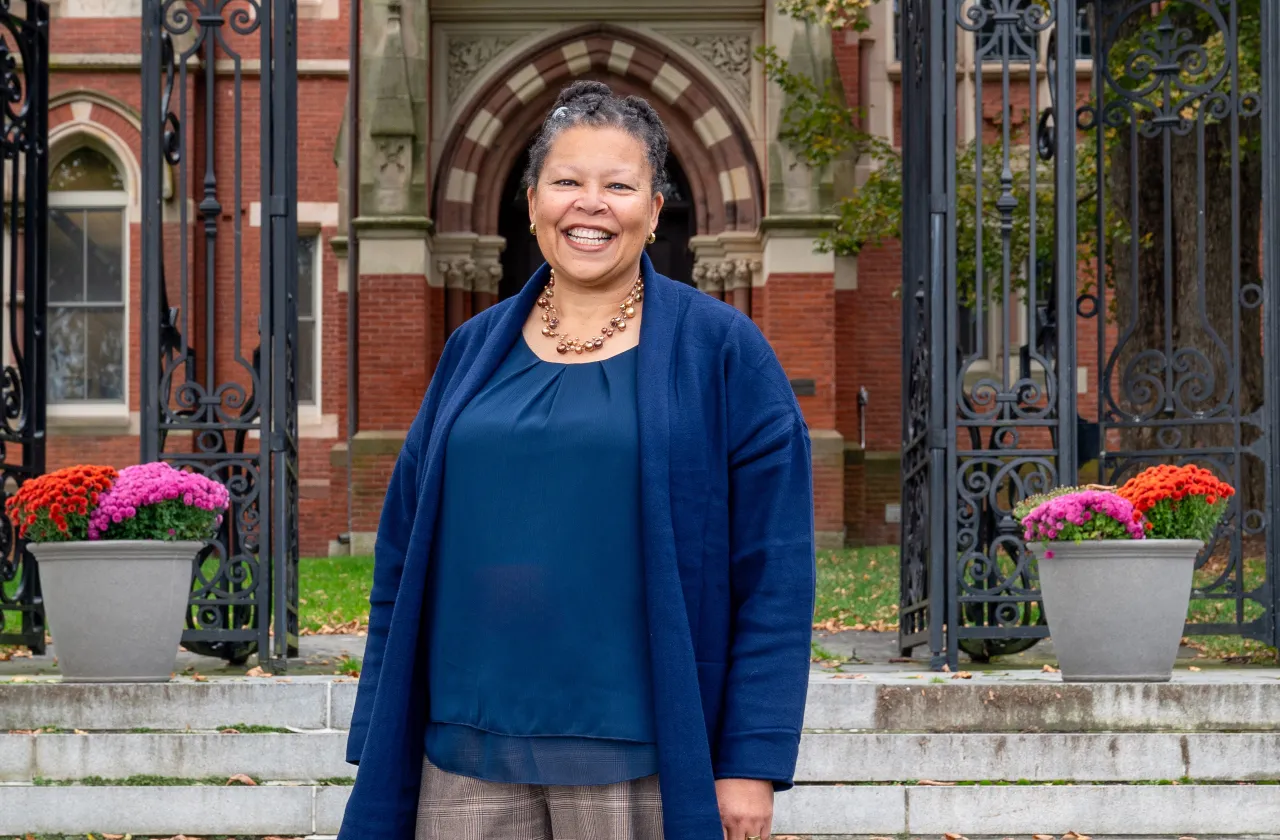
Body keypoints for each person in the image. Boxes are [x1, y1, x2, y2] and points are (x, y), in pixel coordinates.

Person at [337, 80, 815, 840]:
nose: (589, 204)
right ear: (532, 202)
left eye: (619, 185)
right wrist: (379, 727)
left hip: (639, 759)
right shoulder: (471, 351)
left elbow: (775, 575)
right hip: (462, 751)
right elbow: (401, 555)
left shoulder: (723, 353)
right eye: (566, 181)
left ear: (654, 211)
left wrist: (749, 760)